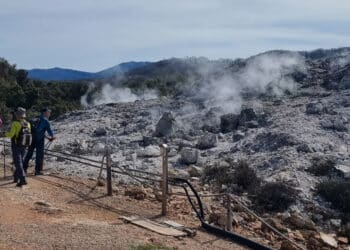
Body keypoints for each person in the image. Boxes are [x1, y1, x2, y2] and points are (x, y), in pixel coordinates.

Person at [23, 108, 55, 175]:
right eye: (49, 112)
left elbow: (37, 131)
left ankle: (23, 169)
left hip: (31, 139)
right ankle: (38, 171)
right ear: (45, 113)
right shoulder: (45, 120)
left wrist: (47, 137)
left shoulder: (35, 118)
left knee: (29, 153)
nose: (49, 114)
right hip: (39, 140)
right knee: (39, 155)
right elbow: (49, 131)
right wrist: (52, 136)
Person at [5, 107, 31, 186]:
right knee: (20, 161)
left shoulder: (15, 123)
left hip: (16, 145)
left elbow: (11, 135)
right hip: (24, 145)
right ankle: (16, 177)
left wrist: (4, 133)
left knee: (18, 162)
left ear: (17, 115)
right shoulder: (28, 123)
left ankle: (22, 179)